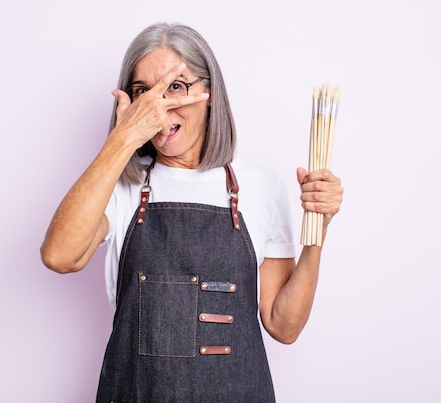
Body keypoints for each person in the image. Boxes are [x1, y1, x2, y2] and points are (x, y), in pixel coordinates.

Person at [40, 22, 343, 402]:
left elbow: (284, 326)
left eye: (176, 87)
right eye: (143, 92)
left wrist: (318, 232)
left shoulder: (262, 186)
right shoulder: (119, 187)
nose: (159, 105)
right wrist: (122, 140)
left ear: (209, 92)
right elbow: (59, 255)